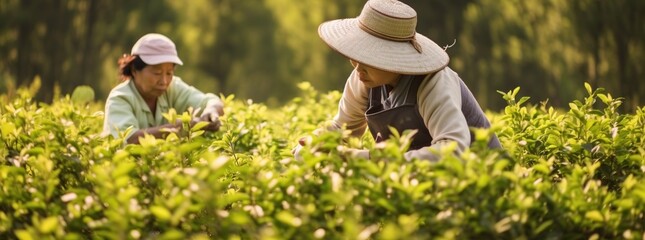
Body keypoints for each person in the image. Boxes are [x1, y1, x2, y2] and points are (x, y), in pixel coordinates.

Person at [294, 0, 501, 162]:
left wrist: (370, 159)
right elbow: (343, 130)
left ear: (393, 60)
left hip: (483, 184)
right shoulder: (363, 76)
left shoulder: (434, 83)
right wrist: (317, 142)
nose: (357, 65)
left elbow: (452, 150)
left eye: (367, 58)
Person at [102, 33, 224, 144]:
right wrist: (176, 129)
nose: (164, 81)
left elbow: (211, 101)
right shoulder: (120, 98)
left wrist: (211, 111)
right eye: (157, 73)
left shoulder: (173, 88)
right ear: (134, 70)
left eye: (169, 73)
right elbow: (129, 139)